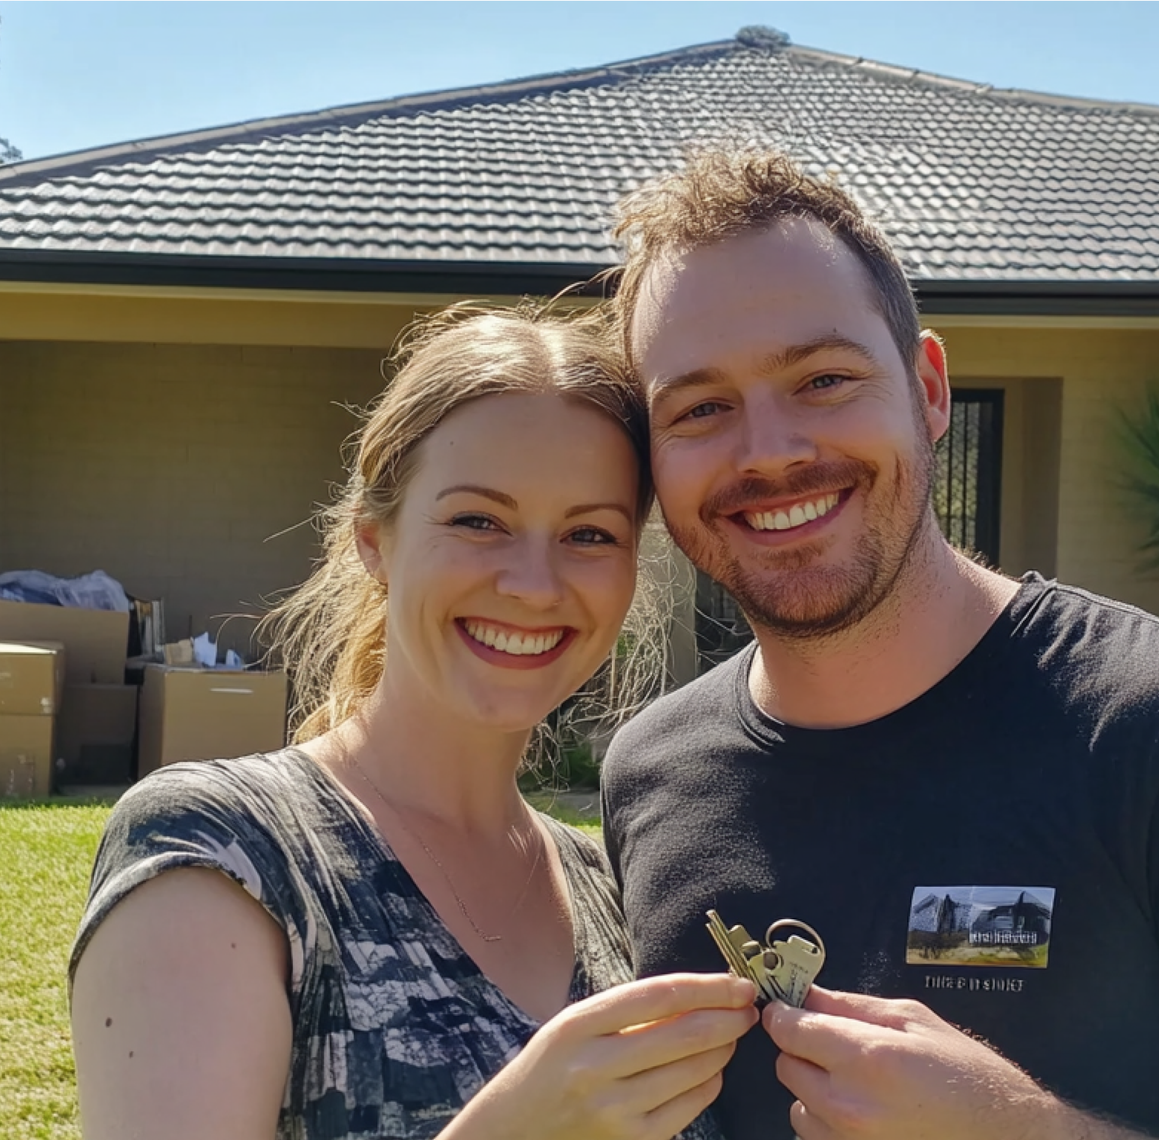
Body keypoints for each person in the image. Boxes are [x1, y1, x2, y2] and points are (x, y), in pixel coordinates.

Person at [599, 149, 1159, 1140]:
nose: (768, 451)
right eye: (700, 408)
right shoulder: (650, 776)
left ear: (928, 392)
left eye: (823, 378)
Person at [69, 305, 757, 1140]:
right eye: (479, 521)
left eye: (588, 533)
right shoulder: (223, 854)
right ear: (374, 541)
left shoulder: (616, 888)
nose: (535, 585)